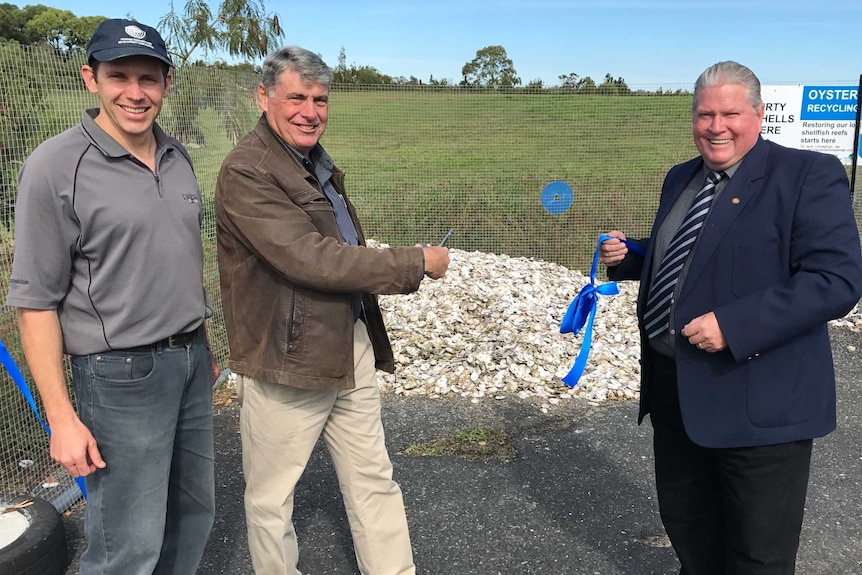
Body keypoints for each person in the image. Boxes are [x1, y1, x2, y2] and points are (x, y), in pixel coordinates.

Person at [598, 60, 862, 575]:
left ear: (759, 116)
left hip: (758, 401)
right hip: (675, 393)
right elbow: (698, 249)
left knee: (757, 552)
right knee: (690, 533)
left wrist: (734, 325)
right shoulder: (682, 177)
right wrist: (633, 257)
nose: (716, 126)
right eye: (704, 114)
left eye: (730, 113)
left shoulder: (807, 175)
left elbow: (836, 280)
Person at [215, 46, 450, 574]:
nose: (310, 110)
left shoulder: (312, 162)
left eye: (320, 99)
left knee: (373, 479)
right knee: (272, 499)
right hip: (286, 358)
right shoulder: (248, 171)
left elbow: (336, 246)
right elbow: (311, 258)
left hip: (348, 345)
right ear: (264, 97)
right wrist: (413, 262)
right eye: (296, 97)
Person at [6, 18, 218, 574]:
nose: (135, 92)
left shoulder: (176, 156)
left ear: (167, 84)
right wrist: (61, 418)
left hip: (190, 361)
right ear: (90, 78)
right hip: (120, 376)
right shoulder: (56, 167)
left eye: (148, 78)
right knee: (128, 541)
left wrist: (203, 343)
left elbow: (175, 259)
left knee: (193, 513)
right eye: (118, 75)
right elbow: (35, 304)